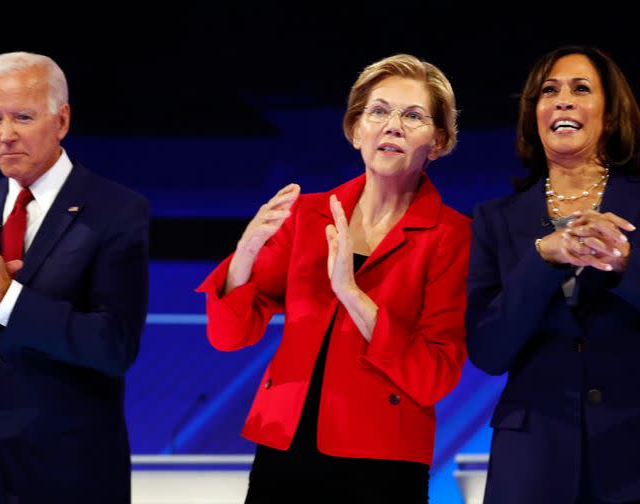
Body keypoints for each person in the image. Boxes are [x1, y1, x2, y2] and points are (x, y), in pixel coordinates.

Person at [197, 53, 469, 503]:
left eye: (413, 116)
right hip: (285, 449)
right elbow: (229, 336)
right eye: (378, 111)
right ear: (356, 129)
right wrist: (244, 253)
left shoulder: (453, 236)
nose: (392, 125)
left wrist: (351, 293)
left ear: (438, 141)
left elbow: (434, 376)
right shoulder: (307, 215)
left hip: (384, 460)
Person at [465, 46, 640, 504]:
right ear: (534, 114)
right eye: (549, 91)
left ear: (610, 111)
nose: (563, 100)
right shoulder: (495, 220)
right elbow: (488, 351)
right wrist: (542, 259)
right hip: (533, 468)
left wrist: (628, 263)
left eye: (581, 88)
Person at [0, 52, 149, 503]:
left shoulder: (116, 211)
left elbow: (114, 346)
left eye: (23, 116)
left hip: (68, 471)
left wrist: (5, 296)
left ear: (61, 121)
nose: (5, 134)